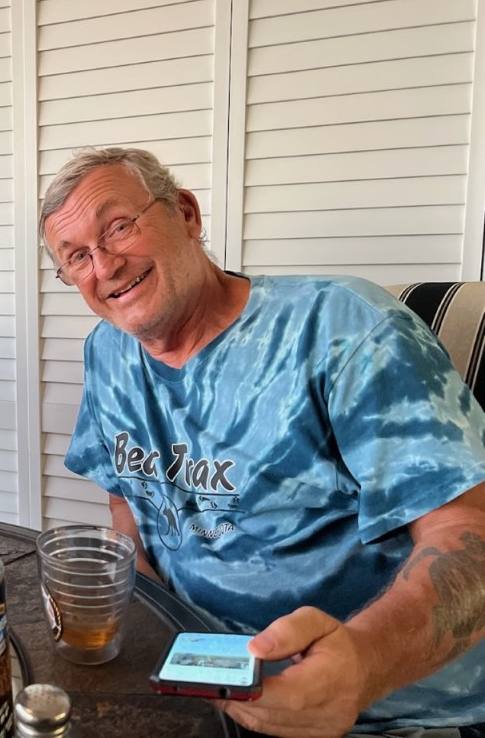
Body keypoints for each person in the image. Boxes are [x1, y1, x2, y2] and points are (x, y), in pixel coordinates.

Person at [38, 147, 485, 736]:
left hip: (382, 708)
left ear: (186, 214)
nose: (105, 266)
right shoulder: (107, 351)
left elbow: (468, 534)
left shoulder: (343, 330)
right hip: (202, 677)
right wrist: (144, 609)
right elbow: (127, 496)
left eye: (119, 227)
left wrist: (363, 664)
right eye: (76, 257)